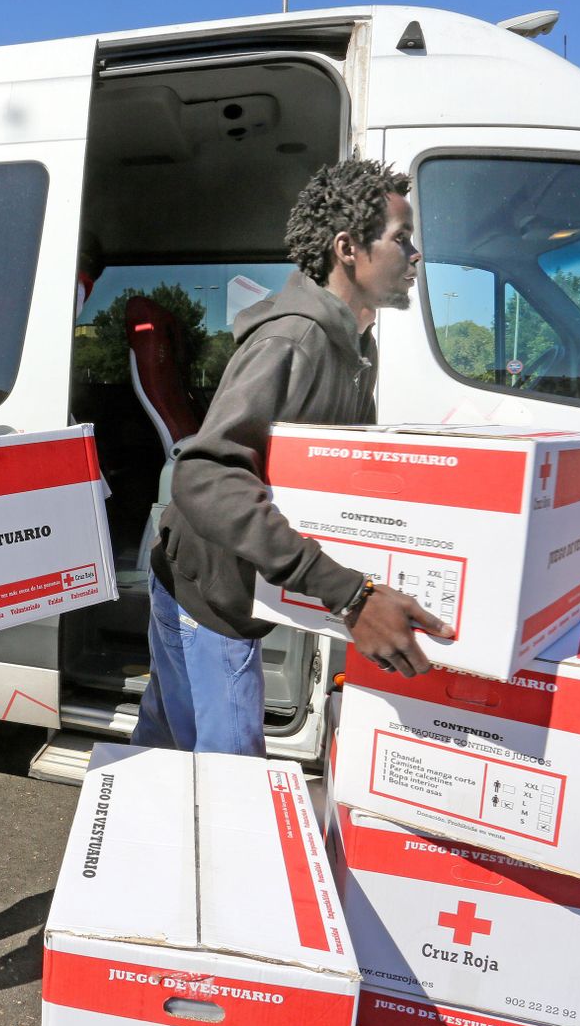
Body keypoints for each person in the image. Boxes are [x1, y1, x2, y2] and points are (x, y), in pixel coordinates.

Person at [132, 159, 453, 757]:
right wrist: (348, 595)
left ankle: (127, 835)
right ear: (348, 248)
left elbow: (337, 473)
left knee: (162, 753)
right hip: (210, 596)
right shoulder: (293, 340)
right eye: (401, 239)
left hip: (239, 586)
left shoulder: (358, 347)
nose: (415, 257)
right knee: (228, 779)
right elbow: (202, 477)